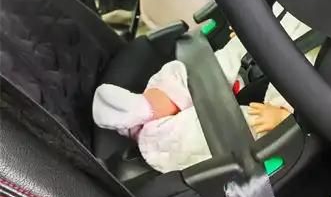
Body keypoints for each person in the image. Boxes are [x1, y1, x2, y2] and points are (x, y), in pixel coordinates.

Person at [93, 9, 317, 173]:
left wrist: (288, 118)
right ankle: (145, 108)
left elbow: (328, 101)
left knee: (208, 130)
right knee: (184, 74)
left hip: (277, 103)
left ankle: (152, 134)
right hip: (247, 53)